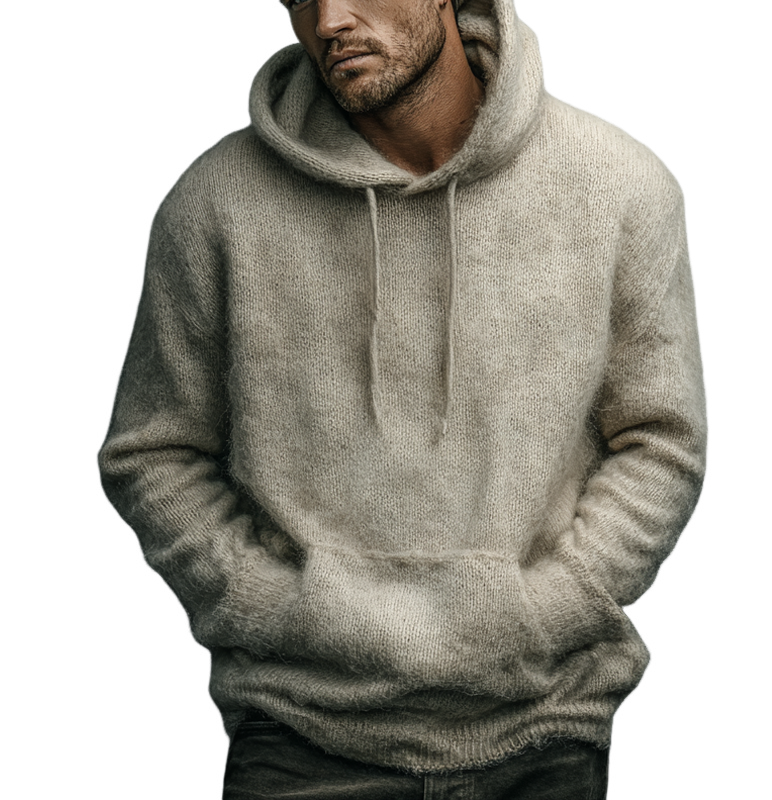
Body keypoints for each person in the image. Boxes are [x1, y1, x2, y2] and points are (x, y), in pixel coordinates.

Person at [99, 0, 706, 797]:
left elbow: (661, 441)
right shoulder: (216, 205)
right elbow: (154, 449)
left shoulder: (619, 188)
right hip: (301, 732)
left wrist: (548, 608)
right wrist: (271, 604)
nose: (328, 20)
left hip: (543, 722)